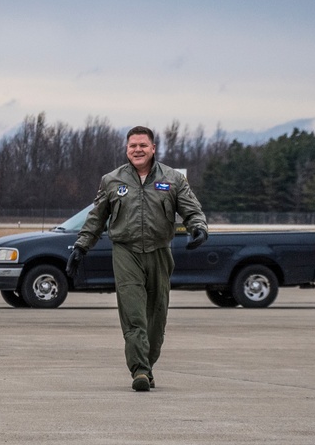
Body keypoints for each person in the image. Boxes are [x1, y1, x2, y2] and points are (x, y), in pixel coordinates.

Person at [65, 126, 208, 391]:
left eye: (143, 145)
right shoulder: (112, 180)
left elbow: (192, 209)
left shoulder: (173, 179)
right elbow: (96, 218)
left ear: (153, 148)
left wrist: (198, 228)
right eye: (133, 146)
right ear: (126, 149)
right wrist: (80, 247)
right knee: (133, 313)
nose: (138, 150)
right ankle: (139, 370)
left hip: (159, 251)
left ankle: (148, 364)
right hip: (125, 252)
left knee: (156, 314)